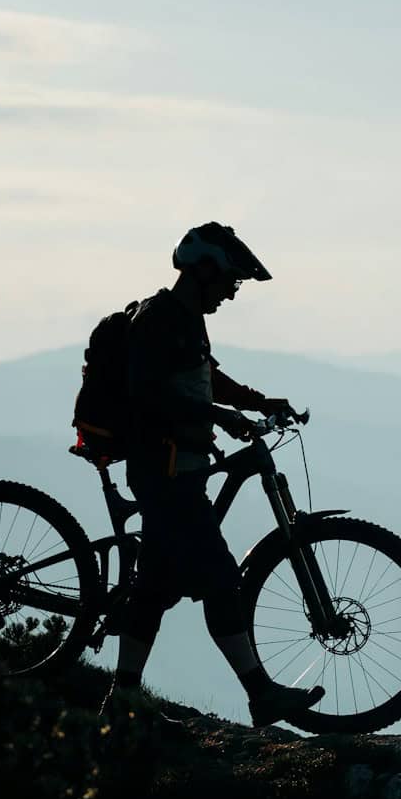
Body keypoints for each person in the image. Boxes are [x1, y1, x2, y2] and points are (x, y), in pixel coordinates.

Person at [102, 222, 325, 729]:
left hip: (181, 469)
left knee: (154, 588)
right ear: (203, 270)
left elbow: (207, 379)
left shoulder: (185, 320)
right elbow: (148, 392)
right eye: (229, 282)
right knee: (223, 581)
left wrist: (256, 401)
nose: (231, 293)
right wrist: (219, 417)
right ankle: (261, 695)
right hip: (163, 471)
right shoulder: (159, 318)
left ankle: (123, 701)